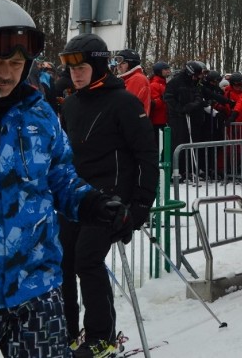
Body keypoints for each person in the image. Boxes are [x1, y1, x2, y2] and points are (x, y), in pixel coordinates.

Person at [0, 0, 130, 358]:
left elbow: (59, 176)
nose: (5, 73)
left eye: (16, 63)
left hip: (36, 290)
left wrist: (94, 203)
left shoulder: (39, 114)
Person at [59, 33, 159, 358]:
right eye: (69, 66)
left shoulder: (123, 102)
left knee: (87, 260)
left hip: (111, 201)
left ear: (99, 64)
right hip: (76, 198)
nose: (75, 72)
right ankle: (68, 332)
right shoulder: (71, 104)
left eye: (81, 65)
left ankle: (101, 337)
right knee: (62, 261)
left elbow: (146, 154)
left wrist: (140, 205)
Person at [164, 60, 207, 181]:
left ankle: (188, 169)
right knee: (178, 142)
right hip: (177, 117)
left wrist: (193, 105)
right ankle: (176, 170)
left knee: (190, 142)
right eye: (195, 75)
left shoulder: (193, 82)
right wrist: (180, 109)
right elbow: (168, 97)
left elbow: (199, 96)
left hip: (190, 115)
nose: (196, 78)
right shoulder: (176, 82)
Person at [115, 48, 151, 116]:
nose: (118, 65)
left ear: (131, 64)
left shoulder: (137, 79)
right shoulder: (126, 79)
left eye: (123, 63)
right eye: (117, 62)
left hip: (132, 122)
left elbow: (125, 104)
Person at [149, 61, 171, 134]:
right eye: (166, 69)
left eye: (168, 69)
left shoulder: (164, 83)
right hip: (157, 121)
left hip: (164, 119)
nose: (168, 71)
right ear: (159, 71)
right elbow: (154, 104)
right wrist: (163, 98)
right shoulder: (154, 85)